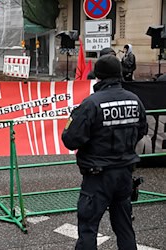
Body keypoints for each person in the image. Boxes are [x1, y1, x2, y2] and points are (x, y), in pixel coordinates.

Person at [61, 55, 147, 250]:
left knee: (88, 229)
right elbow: (142, 130)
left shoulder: (91, 104)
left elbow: (70, 139)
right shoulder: (135, 100)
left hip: (97, 177)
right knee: (125, 228)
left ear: (97, 77)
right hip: (125, 174)